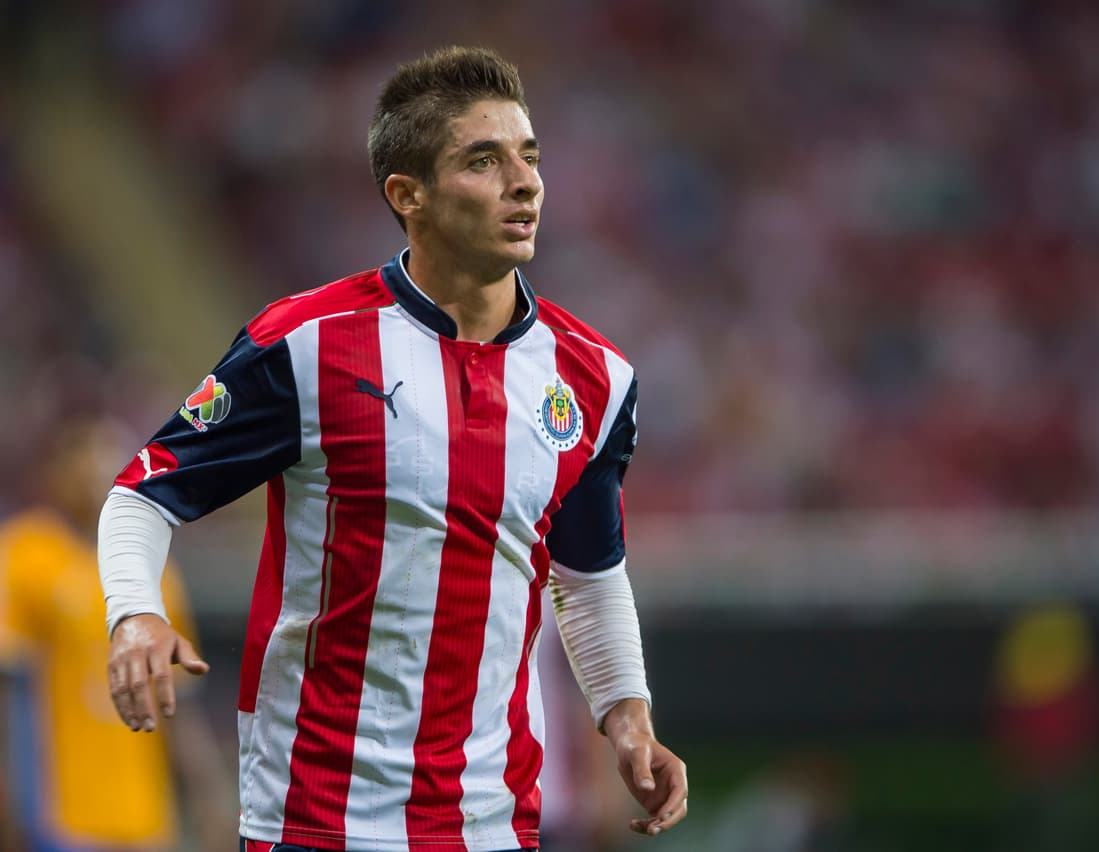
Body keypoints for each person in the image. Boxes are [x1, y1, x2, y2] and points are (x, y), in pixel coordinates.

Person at [97, 45, 688, 852]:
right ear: (407, 195)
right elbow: (142, 493)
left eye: (530, 156)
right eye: (484, 160)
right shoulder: (305, 346)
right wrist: (134, 614)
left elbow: (586, 575)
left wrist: (627, 715)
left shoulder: (594, 379)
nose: (525, 182)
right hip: (311, 817)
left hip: (492, 822)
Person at [0, 420, 232, 852]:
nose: (100, 470)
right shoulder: (27, 554)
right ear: (56, 469)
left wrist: (207, 796)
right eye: (87, 456)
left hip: (144, 823)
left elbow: (178, 705)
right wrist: (10, 799)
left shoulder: (154, 572)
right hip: (61, 819)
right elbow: (10, 692)